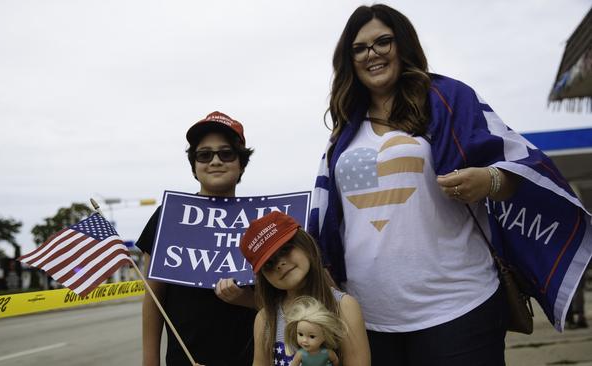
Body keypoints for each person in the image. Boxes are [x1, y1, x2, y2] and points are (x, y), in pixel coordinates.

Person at [310, 4, 592, 365]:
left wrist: (489, 179)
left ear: (403, 44)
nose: (372, 54)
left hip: (459, 309)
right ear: (349, 60)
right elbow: (329, 219)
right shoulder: (344, 133)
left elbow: (520, 167)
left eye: (383, 42)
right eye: (360, 48)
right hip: (370, 322)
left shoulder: (450, 100)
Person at [136, 111, 256, 365]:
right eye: (204, 155)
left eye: (226, 153)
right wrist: (150, 362)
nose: (215, 161)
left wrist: (246, 300)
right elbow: (154, 299)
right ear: (194, 166)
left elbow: (283, 302)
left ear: (241, 163)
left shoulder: (260, 222)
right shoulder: (169, 216)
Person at [240, 211, 370, 366]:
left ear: (305, 243)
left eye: (286, 249)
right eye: (268, 263)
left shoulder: (344, 306)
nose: (280, 263)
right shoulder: (264, 318)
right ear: (263, 277)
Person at [284, 296, 344, 366]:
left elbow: (335, 360)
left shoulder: (327, 353)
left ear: (325, 336)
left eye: (312, 336)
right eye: (300, 334)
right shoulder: (301, 354)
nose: (304, 340)